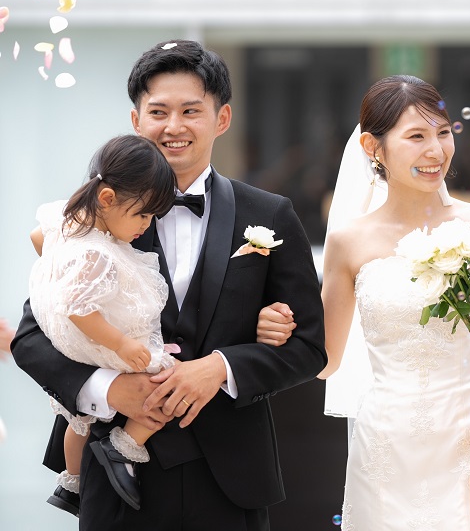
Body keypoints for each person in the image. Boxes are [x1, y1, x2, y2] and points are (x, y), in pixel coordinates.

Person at [12, 39, 326, 531]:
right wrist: (111, 390)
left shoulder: (270, 214)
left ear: (222, 118)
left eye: (190, 111)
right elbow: (34, 335)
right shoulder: (97, 215)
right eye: (158, 111)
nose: (173, 126)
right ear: (136, 121)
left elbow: (309, 347)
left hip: (231, 473)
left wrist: (220, 368)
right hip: (115, 465)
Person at [258, 75, 470, 530]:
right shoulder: (348, 241)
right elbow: (327, 360)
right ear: (374, 148)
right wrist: (278, 330)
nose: (436, 151)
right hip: (385, 446)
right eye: (416, 136)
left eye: (443, 133)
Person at [28, 134, 178, 515]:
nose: (146, 224)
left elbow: (37, 236)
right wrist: (122, 344)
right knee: (168, 383)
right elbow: (80, 309)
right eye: (143, 215)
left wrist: (55, 264)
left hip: (66, 335)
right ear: (108, 199)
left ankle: (72, 484)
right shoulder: (96, 254)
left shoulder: (68, 221)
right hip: (93, 341)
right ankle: (124, 445)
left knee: (77, 421)